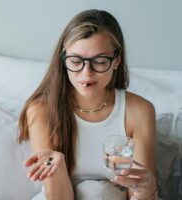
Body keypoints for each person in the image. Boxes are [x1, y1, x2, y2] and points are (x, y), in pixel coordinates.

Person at [18, 9, 157, 200]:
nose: (86, 73)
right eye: (75, 61)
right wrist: (57, 171)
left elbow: (137, 193)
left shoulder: (139, 111)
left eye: (99, 61)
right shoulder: (41, 111)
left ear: (116, 59)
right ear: (64, 59)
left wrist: (147, 189)